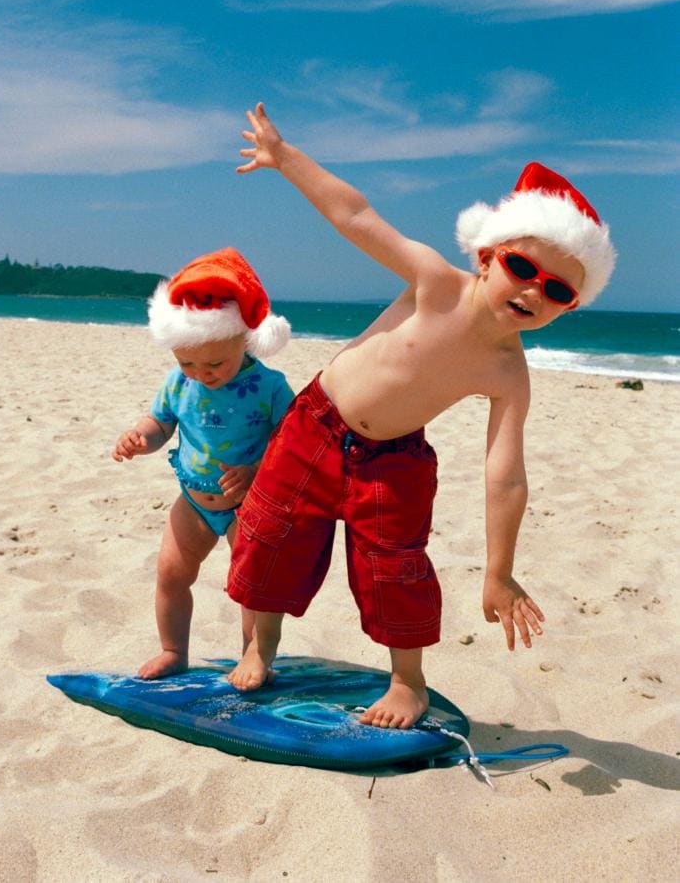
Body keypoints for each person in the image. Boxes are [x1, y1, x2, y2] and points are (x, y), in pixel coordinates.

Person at [225, 103, 616, 728]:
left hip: (396, 459)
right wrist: (285, 157)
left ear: (567, 310)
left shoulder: (509, 373)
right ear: (486, 256)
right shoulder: (434, 281)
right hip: (313, 428)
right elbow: (355, 215)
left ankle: (408, 681)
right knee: (273, 538)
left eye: (558, 290)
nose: (533, 290)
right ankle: (259, 644)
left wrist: (500, 571)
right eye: (522, 267)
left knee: (396, 568)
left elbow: (505, 475)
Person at [113, 247, 294, 679]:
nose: (201, 372)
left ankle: (254, 656)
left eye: (215, 363)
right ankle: (174, 650)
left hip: (247, 504)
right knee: (171, 575)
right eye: (186, 361)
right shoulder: (180, 381)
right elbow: (161, 421)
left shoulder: (269, 385)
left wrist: (255, 472)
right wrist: (141, 438)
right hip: (193, 500)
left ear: (245, 338)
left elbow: (290, 440)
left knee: (253, 589)